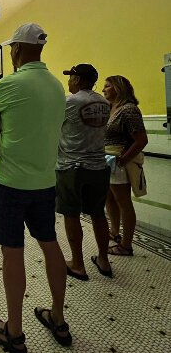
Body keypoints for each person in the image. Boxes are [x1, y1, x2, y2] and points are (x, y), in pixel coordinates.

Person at [0, 23, 71, 353]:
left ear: (17, 49)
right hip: (45, 183)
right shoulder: (56, 86)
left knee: (13, 252)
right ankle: (58, 319)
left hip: (9, 184)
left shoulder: (10, 83)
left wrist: (2, 125)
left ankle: (14, 331)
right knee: (50, 245)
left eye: (10, 49)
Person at [56, 64, 112, 280]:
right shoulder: (104, 102)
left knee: (71, 214)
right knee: (98, 214)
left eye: (71, 77)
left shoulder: (70, 102)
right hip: (99, 165)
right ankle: (104, 260)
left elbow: (53, 125)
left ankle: (78, 264)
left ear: (78, 80)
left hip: (72, 166)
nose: (69, 82)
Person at [102, 75, 148, 256]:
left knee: (123, 201)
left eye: (107, 86)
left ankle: (126, 245)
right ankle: (114, 232)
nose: (103, 90)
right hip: (107, 160)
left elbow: (141, 140)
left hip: (119, 161)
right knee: (109, 198)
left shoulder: (129, 110)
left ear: (118, 88)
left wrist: (124, 159)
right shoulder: (110, 108)